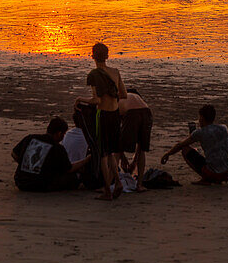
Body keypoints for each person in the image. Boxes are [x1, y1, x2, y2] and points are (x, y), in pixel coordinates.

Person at [75, 42, 128, 200]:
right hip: (115, 114)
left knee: (103, 154)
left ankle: (107, 190)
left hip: (103, 115)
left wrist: (79, 99)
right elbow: (123, 94)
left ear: (92, 56)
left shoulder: (93, 74)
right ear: (107, 55)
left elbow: (96, 101)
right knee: (112, 151)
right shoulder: (115, 72)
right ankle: (117, 182)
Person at [160, 104, 228, 185]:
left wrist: (168, 154)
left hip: (214, 173)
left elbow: (180, 145)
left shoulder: (200, 132)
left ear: (202, 118)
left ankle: (206, 178)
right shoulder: (224, 128)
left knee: (185, 149)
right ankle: (213, 176)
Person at [11, 117, 90, 192]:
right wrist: (86, 160)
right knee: (73, 178)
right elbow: (69, 169)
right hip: (39, 184)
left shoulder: (30, 138)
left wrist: (26, 165)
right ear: (59, 133)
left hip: (20, 181)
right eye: (63, 134)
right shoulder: (57, 148)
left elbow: (14, 154)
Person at [119, 89, 153, 182]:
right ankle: (140, 184)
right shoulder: (138, 99)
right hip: (147, 111)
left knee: (117, 149)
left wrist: (122, 159)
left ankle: (111, 183)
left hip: (131, 112)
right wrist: (133, 162)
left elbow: (116, 137)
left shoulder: (119, 99)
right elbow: (140, 146)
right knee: (142, 149)